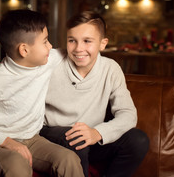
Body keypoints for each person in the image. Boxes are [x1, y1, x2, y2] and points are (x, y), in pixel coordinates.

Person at [0, 10, 84, 177]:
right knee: (17, 166)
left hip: (32, 139)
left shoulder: (45, 62)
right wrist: (7, 142)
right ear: (24, 50)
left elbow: (72, 52)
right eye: (45, 41)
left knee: (69, 159)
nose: (50, 46)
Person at [41, 11, 149, 177]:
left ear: (102, 43)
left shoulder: (110, 68)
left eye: (87, 41)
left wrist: (97, 133)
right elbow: (17, 67)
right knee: (78, 139)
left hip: (90, 137)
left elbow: (128, 114)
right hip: (52, 133)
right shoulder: (51, 60)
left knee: (138, 140)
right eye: (72, 41)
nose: (78, 48)